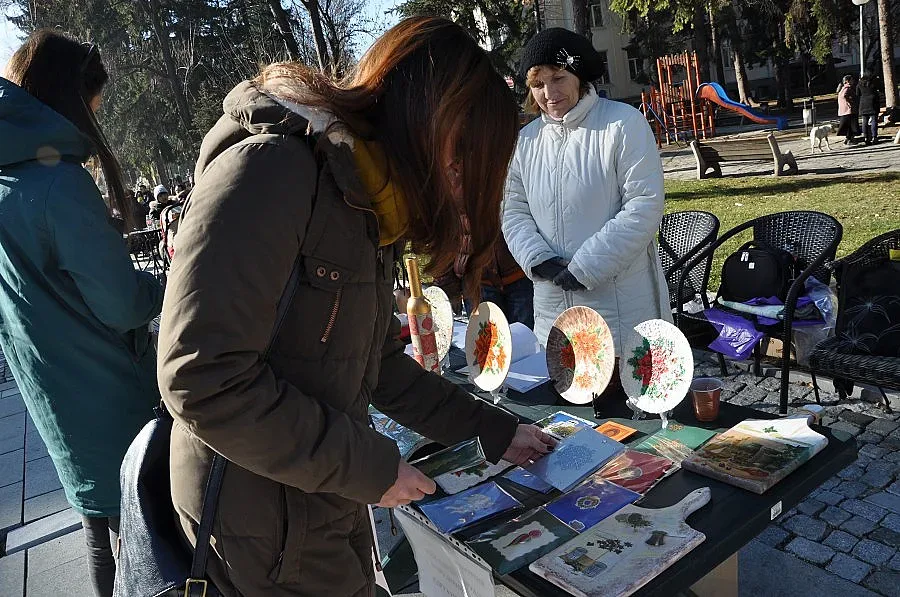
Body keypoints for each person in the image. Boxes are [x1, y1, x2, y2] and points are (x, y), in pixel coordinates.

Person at [156, 17, 556, 596]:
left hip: (316, 497)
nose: (459, 184)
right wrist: (369, 467)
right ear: (428, 121)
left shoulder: (366, 198)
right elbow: (201, 376)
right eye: (461, 161)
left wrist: (492, 430)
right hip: (257, 527)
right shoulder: (273, 172)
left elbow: (379, 367)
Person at [0, 30, 164, 597]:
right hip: (106, 392)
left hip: (55, 397)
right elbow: (120, 302)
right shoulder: (58, 183)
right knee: (150, 538)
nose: (95, 122)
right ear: (72, 100)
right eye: (93, 109)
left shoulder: (8, 178)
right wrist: (167, 285)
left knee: (99, 531)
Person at [502, 28, 670, 360]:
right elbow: (513, 209)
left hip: (620, 311)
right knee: (567, 399)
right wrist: (538, 259)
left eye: (558, 78)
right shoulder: (527, 141)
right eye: (537, 84)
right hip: (554, 313)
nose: (549, 93)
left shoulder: (622, 124)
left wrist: (585, 267)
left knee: (626, 403)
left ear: (578, 76)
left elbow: (644, 206)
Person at [436, 238, 535, 328]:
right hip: (475, 283)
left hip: (519, 276)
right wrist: (448, 287)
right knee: (484, 342)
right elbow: (442, 239)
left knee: (525, 340)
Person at [856, 75, 881, 145]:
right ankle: (874, 137)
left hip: (863, 103)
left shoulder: (859, 85)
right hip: (873, 103)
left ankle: (866, 137)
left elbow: (857, 94)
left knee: (864, 121)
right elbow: (877, 92)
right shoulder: (872, 84)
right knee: (874, 121)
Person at [837, 74, 857, 144]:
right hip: (848, 110)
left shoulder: (842, 88)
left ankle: (848, 138)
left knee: (848, 126)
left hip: (843, 110)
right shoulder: (848, 88)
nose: (853, 81)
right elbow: (844, 96)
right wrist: (849, 101)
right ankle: (850, 139)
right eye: (852, 80)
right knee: (851, 126)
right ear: (847, 81)